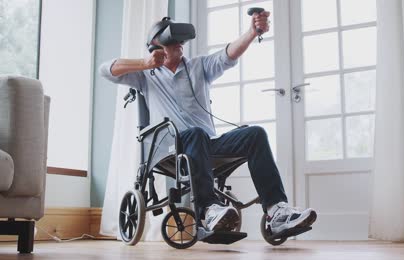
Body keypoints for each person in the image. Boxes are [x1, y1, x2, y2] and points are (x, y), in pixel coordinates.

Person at [100, 10, 316, 235]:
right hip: (170, 148)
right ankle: (207, 211)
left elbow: (227, 55)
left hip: (205, 142)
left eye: (180, 42)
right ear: (156, 47)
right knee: (196, 133)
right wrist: (144, 63)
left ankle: (275, 211)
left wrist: (252, 32)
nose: (180, 45)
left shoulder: (198, 67)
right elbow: (105, 70)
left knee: (255, 134)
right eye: (173, 42)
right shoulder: (144, 76)